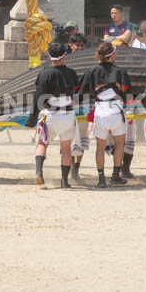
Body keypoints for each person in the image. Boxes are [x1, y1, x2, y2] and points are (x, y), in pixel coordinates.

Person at [26, 43, 78, 188]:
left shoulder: (44, 73)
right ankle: (65, 181)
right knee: (66, 148)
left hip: (49, 114)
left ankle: (38, 172)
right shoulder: (71, 73)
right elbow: (76, 91)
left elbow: (38, 96)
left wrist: (32, 116)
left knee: (42, 143)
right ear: (64, 57)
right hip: (66, 114)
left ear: (49, 56)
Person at [79, 42, 130, 188]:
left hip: (100, 110)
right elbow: (127, 93)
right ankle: (115, 175)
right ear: (112, 55)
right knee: (120, 144)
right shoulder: (120, 71)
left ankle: (101, 178)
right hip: (116, 110)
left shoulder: (92, 71)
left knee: (100, 147)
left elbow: (83, 91)